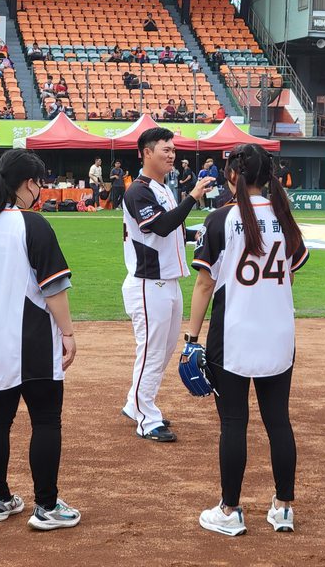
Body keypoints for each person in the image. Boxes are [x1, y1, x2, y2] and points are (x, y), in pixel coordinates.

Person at [0, 149, 80, 531]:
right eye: (39, 183)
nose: (39, 190)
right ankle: (46, 506)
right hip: (33, 338)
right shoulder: (32, 224)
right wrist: (68, 333)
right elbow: (53, 288)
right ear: (28, 183)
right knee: (45, 419)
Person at [187, 143, 308, 536]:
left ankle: (230, 510)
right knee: (278, 421)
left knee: (234, 423)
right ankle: (284, 508)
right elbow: (290, 274)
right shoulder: (284, 217)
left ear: (233, 175)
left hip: (234, 335)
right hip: (278, 333)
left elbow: (205, 284)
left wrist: (191, 338)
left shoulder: (221, 218)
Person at [120, 128, 215, 442]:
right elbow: (160, 226)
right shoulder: (138, 190)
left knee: (162, 352)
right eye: (166, 149)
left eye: (173, 149)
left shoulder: (161, 188)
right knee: (152, 352)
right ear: (147, 153)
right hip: (148, 284)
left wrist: (200, 234)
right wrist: (193, 197)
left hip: (167, 282)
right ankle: (146, 418)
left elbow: (174, 229)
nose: (172, 155)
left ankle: (136, 404)